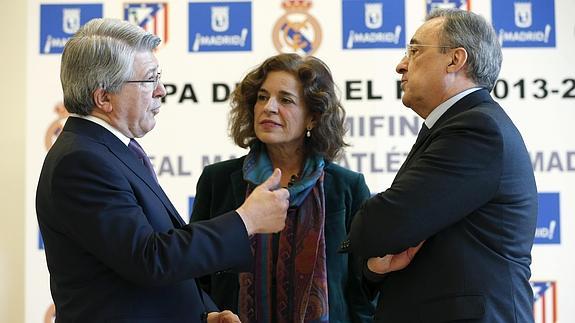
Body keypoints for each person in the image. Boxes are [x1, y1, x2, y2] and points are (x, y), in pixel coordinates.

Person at [35, 18, 290, 323]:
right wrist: (247, 219)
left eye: (159, 77)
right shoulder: (80, 162)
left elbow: (148, 255)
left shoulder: (112, 151)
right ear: (103, 98)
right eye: (148, 80)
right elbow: (149, 258)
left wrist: (203, 313)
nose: (161, 90)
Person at [345, 8, 538, 323]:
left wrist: (367, 229)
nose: (401, 65)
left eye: (415, 51)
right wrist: (374, 265)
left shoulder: (476, 129)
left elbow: (381, 224)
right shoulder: (457, 125)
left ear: (455, 60)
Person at [190, 53, 376, 323]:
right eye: (262, 97)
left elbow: (361, 291)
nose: (269, 107)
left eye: (285, 100)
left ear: (313, 117)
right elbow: (196, 275)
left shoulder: (346, 187)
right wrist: (209, 314)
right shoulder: (217, 180)